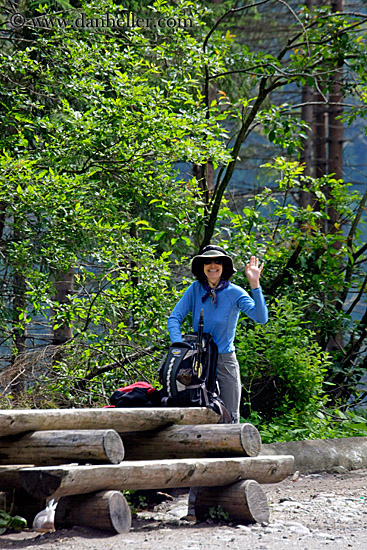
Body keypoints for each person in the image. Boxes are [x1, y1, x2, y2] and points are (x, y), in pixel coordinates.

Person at [167, 244, 268, 424]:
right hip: (197, 359)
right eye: (207, 262)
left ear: (224, 267)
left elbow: (261, 318)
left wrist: (255, 285)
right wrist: (179, 346)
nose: (212, 266)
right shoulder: (195, 289)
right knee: (195, 411)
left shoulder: (235, 293)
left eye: (217, 262)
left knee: (230, 415)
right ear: (202, 267)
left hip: (224, 360)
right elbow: (174, 319)